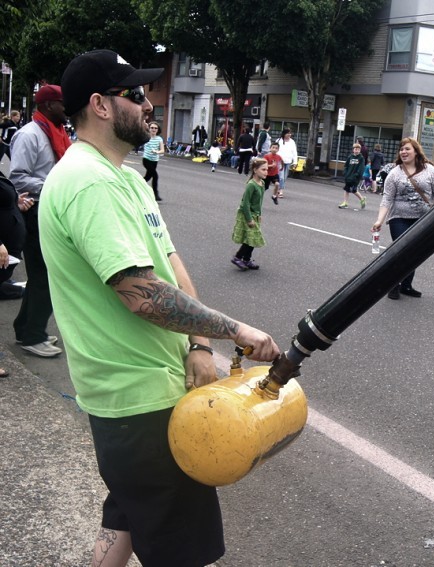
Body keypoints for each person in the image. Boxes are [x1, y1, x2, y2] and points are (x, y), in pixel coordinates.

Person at [41, 49, 280, 567]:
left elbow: (169, 266)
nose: (149, 103)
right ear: (101, 106)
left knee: (127, 508)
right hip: (139, 404)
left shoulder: (124, 176)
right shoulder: (88, 182)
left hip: (154, 391)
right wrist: (235, 329)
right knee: (182, 551)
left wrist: (198, 343)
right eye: (137, 94)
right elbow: (141, 293)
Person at [9, 84, 70, 358]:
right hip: (35, 212)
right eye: (62, 103)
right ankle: (34, 335)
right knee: (46, 276)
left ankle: (26, 329)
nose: (66, 108)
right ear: (47, 106)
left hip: (50, 210)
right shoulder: (29, 135)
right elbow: (17, 177)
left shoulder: (55, 132)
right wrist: (55, 185)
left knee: (41, 276)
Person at [371, 137, 434, 300]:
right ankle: (393, 284)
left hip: (424, 218)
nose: (403, 152)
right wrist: (379, 221)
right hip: (399, 218)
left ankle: (406, 285)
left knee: (415, 253)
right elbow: (387, 199)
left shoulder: (430, 171)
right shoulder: (395, 173)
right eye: (401, 149)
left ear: (416, 151)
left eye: (407, 149)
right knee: (403, 251)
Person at [231, 158, 268, 271]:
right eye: (263, 169)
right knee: (251, 238)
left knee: (253, 238)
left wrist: (259, 214)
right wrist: (249, 219)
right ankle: (237, 257)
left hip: (255, 214)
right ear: (255, 170)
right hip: (247, 214)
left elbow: (260, 201)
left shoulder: (262, 183)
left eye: (267, 169)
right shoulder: (251, 185)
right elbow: (245, 203)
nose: (266, 172)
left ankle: (246, 259)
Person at [338, 142, 367, 209]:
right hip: (348, 176)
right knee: (346, 189)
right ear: (353, 150)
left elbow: (361, 168)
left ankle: (362, 199)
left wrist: (356, 175)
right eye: (355, 149)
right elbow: (346, 166)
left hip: (355, 178)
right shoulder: (350, 157)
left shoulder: (361, 158)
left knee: (354, 190)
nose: (356, 150)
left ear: (360, 150)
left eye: (358, 149)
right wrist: (345, 173)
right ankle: (345, 203)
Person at [142, 121, 164, 201]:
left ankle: (135, 186)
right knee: (155, 175)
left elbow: (162, 150)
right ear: (149, 128)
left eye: (155, 128)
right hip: (146, 159)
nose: (154, 129)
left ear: (158, 130)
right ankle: (155, 195)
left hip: (154, 161)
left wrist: (157, 152)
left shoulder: (159, 139)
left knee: (147, 177)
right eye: (152, 128)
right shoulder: (146, 137)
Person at [276, 128, 298, 197]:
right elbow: (275, 149)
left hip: (288, 161)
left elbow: (294, 152)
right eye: (288, 133)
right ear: (284, 134)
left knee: (284, 178)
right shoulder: (279, 140)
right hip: (280, 161)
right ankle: (281, 191)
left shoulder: (292, 142)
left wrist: (295, 162)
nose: (289, 134)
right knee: (281, 177)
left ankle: (279, 188)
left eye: (290, 133)